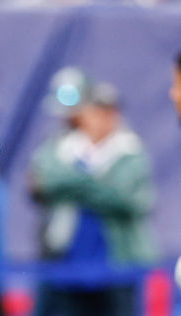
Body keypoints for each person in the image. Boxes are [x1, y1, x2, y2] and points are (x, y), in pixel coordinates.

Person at [29, 74, 157, 316]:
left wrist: (75, 186)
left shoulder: (131, 151)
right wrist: (98, 185)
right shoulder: (61, 147)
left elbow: (130, 200)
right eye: (93, 111)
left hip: (117, 267)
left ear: (114, 115)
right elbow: (42, 183)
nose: (97, 118)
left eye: (105, 112)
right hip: (66, 265)